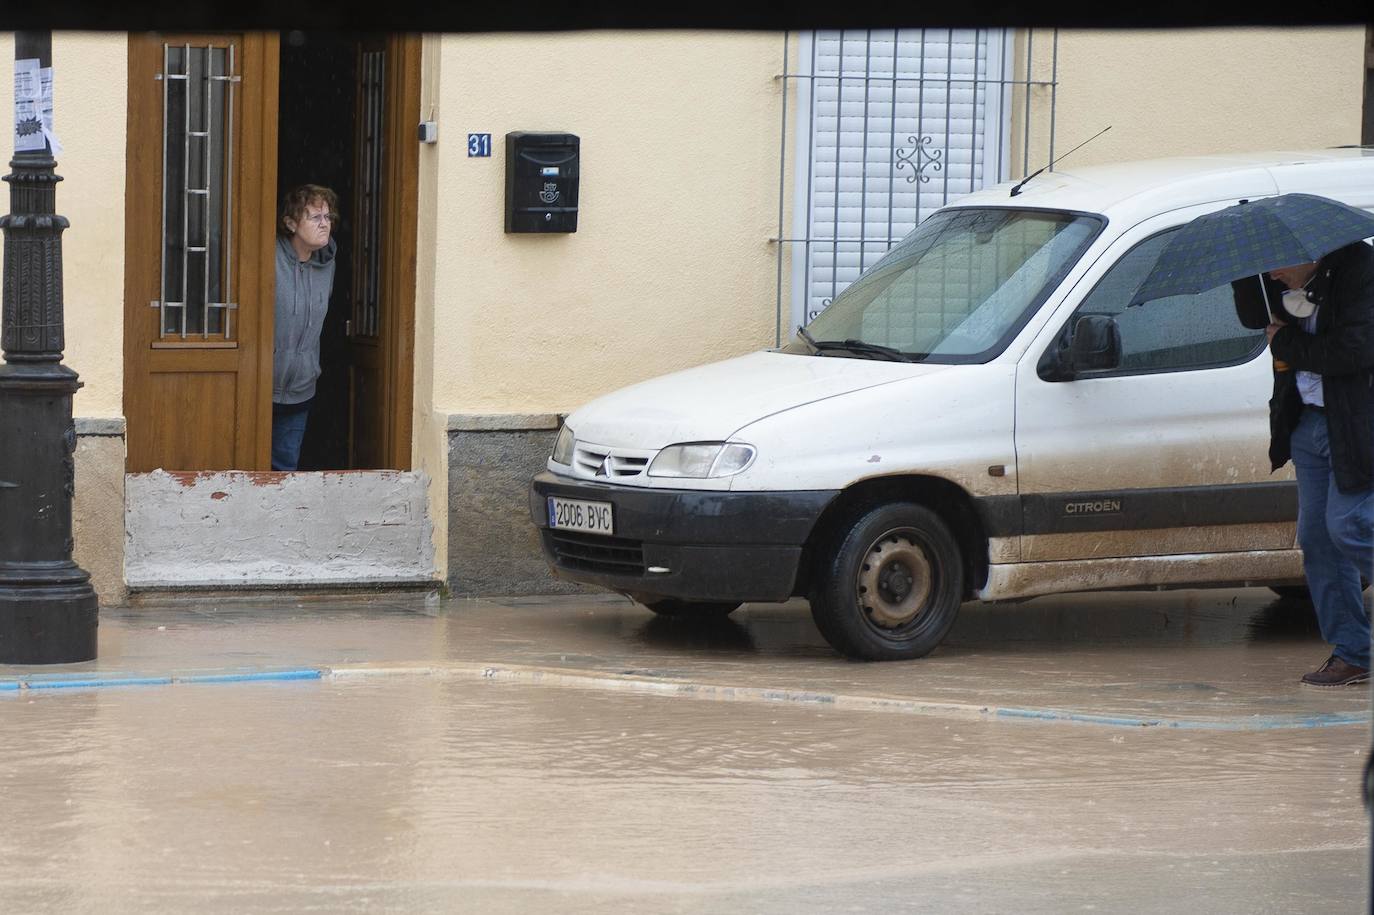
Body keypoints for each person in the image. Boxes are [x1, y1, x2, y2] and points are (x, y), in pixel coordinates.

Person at [1232, 240, 1374, 687]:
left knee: (1348, 525)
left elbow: (1353, 353)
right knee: (1317, 539)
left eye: (1275, 263)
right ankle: (1353, 653)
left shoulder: (1362, 273)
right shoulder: (1286, 278)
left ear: (1312, 251)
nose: (1272, 274)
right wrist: (1244, 274)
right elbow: (1257, 320)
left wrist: (1289, 342)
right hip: (1308, 424)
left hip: (1357, 423)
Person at [272, 184, 339, 471]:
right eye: (315, 217)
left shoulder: (327, 265)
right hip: (259, 385)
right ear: (290, 223)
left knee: (284, 470)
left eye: (328, 217)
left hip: (300, 389)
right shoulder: (269, 257)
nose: (325, 224)